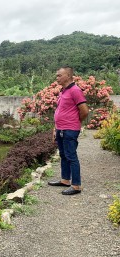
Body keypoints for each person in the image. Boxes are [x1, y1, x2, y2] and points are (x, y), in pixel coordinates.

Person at [48, 66, 89, 195]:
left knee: (71, 156)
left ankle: (76, 185)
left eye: (59, 75)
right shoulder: (63, 91)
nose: (57, 77)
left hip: (70, 129)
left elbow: (85, 111)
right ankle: (65, 180)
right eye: (57, 75)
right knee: (63, 155)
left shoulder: (75, 90)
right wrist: (56, 127)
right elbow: (60, 111)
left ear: (68, 76)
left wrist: (75, 122)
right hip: (60, 129)